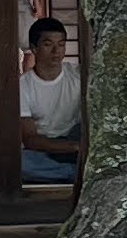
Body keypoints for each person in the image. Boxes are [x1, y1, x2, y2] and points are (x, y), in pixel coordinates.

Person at [20, 14, 84, 187]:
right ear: (34, 48)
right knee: (17, 163)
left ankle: (71, 171)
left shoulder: (78, 75)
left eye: (61, 45)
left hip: (76, 137)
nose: (57, 51)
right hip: (45, 147)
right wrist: (76, 147)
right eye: (48, 44)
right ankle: (75, 173)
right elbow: (30, 139)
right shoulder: (23, 85)